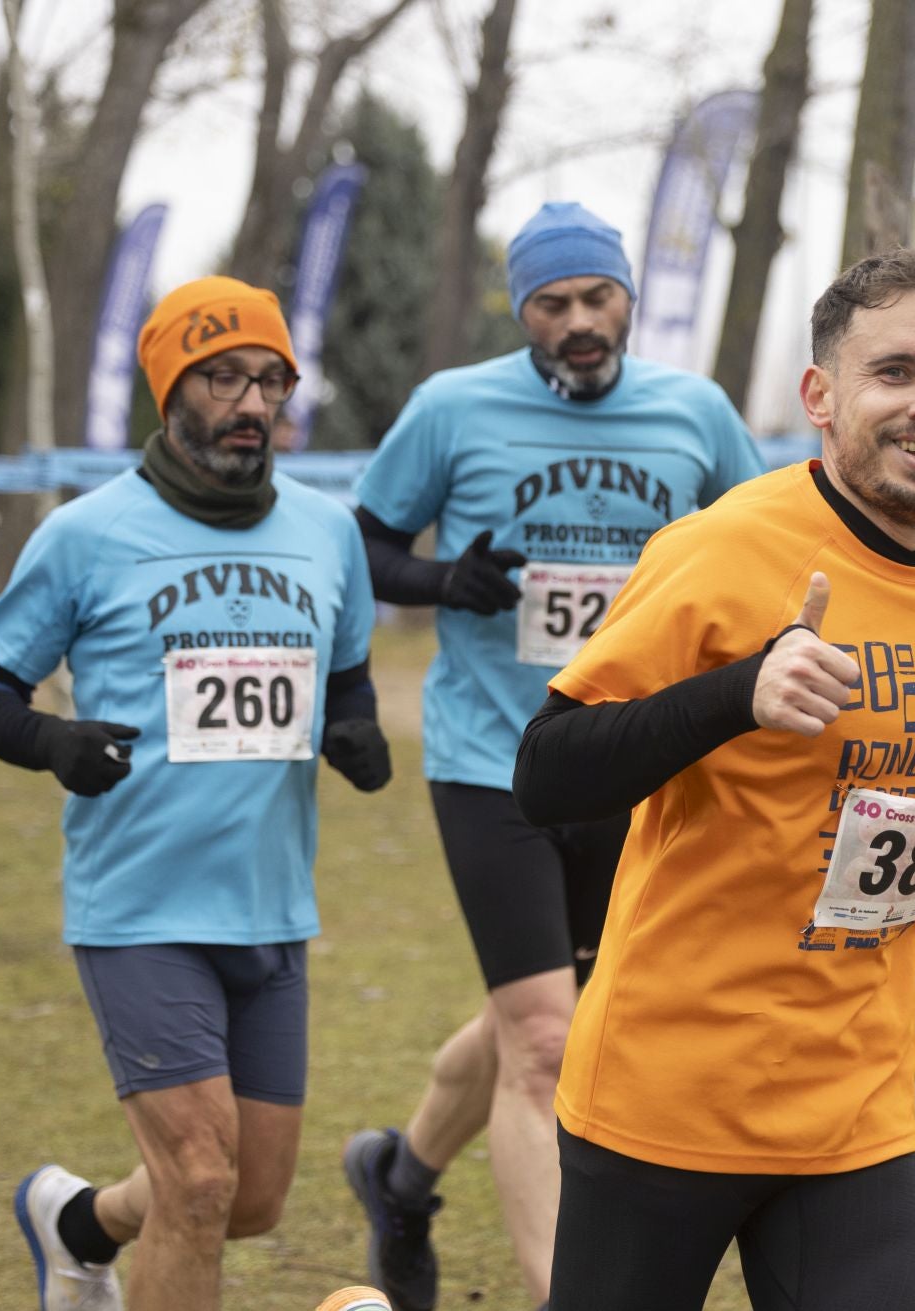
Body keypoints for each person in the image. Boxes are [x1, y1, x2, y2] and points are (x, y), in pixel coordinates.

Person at [510, 247, 915, 1310]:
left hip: (854, 1110)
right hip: (672, 1094)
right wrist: (734, 692)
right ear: (821, 394)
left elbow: (884, 789)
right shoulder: (725, 547)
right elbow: (549, 775)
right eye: (894, 373)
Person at [342, 201, 764, 1310]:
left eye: (596, 298)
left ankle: (400, 1177)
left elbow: (764, 555)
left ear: (626, 297)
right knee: (544, 1037)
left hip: (637, 765)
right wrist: (444, 582)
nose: (578, 322)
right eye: (552, 303)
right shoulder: (454, 408)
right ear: (521, 309)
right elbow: (363, 542)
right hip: (494, 758)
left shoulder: (696, 413)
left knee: (544, 1006)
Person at [0, 276, 392, 1311]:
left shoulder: (327, 533)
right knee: (199, 1181)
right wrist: (53, 741)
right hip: (140, 904)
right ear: (171, 391)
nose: (252, 405)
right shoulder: (87, 532)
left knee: (247, 1199)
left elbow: (348, 676)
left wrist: (357, 733)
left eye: (271, 382)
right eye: (225, 379)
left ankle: (76, 1224)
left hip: (271, 904)